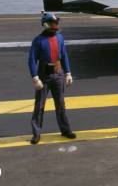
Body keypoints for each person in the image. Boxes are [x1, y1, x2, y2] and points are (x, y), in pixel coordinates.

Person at [28, 12, 76, 144]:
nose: (56, 25)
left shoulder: (60, 38)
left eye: (56, 23)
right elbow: (32, 60)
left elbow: (64, 56)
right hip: (43, 77)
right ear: (46, 24)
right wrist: (35, 78)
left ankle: (65, 130)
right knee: (39, 106)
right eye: (53, 23)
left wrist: (68, 73)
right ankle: (36, 133)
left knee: (61, 105)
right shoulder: (38, 41)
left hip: (58, 74)